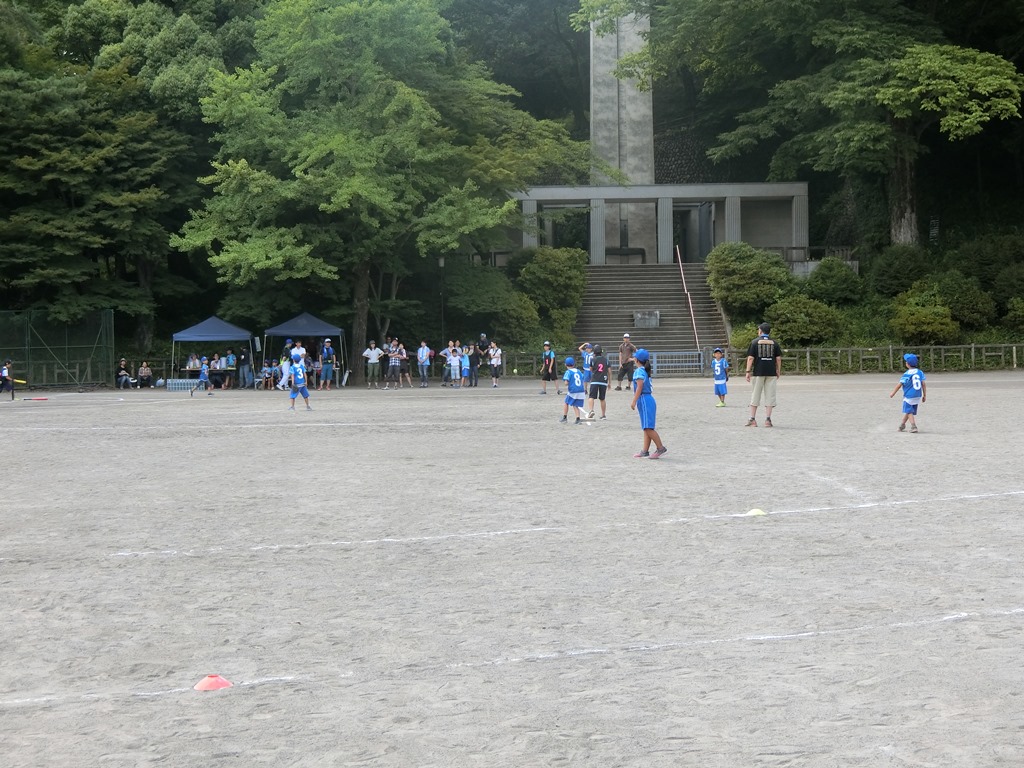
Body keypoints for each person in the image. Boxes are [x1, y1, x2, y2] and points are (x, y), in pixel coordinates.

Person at [744, 322, 782, 427]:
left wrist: (748, 371)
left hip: (758, 372)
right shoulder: (775, 343)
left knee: (755, 395)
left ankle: (752, 419)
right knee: (770, 396)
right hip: (771, 372)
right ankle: (768, 420)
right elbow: (778, 358)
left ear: (760, 330)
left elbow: (751, 358)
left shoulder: (755, 342)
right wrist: (778, 370)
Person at [631, 349, 667, 458]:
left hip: (644, 399)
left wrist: (633, 401)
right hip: (648, 399)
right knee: (646, 427)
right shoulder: (645, 371)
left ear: (636, 360)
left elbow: (640, 387)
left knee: (648, 428)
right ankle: (645, 450)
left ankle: (660, 448)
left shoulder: (639, 372)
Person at [890, 353, 927, 433]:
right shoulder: (920, 372)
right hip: (918, 394)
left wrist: (893, 393)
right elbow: (923, 384)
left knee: (909, 411)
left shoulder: (907, 374)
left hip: (909, 395)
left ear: (907, 364)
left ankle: (914, 426)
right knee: (908, 410)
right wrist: (924, 395)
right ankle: (902, 425)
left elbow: (899, 385)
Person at [585, 344, 610, 419]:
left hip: (595, 380)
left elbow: (590, 369)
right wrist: (610, 382)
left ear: (594, 352)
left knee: (591, 397)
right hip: (603, 380)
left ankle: (591, 410)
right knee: (602, 398)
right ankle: (603, 415)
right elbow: (609, 371)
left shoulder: (593, 359)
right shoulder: (606, 360)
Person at [559, 357, 585, 425]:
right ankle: (578, 419)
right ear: (574, 364)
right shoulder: (578, 371)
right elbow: (582, 378)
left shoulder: (568, 372)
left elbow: (566, 383)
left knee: (566, 402)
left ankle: (564, 417)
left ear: (565, 364)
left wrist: (568, 382)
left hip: (573, 390)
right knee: (575, 405)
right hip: (581, 390)